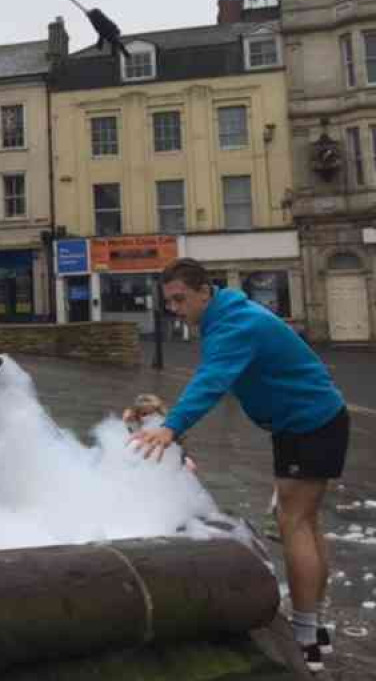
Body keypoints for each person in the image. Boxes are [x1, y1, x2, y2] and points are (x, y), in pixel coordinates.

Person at [130, 258, 348, 674]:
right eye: (169, 302)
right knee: (306, 521)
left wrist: (171, 427)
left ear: (204, 292)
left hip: (309, 422)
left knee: (294, 523)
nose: (175, 308)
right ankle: (313, 626)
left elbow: (211, 379)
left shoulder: (234, 324)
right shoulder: (228, 316)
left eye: (180, 299)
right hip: (305, 421)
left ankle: (305, 639)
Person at [122, 393, 197, 472]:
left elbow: (178, 446)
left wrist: (184, 460)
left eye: (153, 413)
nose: (150, 417)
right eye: (144, 414)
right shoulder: (137, 430)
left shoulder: (169, 428)